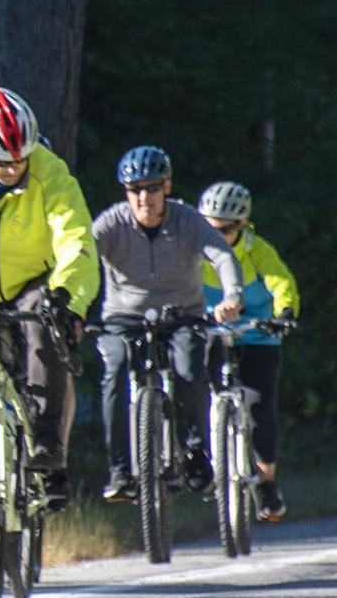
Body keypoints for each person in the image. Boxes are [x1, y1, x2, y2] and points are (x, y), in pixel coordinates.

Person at [0, 87, 98, 559]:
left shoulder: (51, 172)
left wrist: (66, 296)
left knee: (43, 335)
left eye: (20, 160)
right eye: (2, 162)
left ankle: (48, 448)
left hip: (34, 279)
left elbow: (76, 238)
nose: (13, 169)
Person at [92, 146, 242, 502]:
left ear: (167, 187)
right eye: (135, 189)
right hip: (124, 317)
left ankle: (194, 452)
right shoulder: (112, 223)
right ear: (126, 192)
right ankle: (119, 471)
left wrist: (231, 295)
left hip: (182, 314)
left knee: (190, 363)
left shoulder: (186, 219)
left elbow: (221, 254)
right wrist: (72, 302)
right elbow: (80, 255)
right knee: (114, 370)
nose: (144, 198)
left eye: (153, 188)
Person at [198, 180, 299, 520]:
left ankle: (266, 481)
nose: (216, 237)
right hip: (210, 331)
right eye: (209, 228)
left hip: (256, 334)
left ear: (242, 225)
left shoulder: (258, 250)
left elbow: (280, 280)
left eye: (225, 230)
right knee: (192, 386)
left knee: (259, 408)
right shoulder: (194, 252)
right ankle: (197, 455)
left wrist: (285, 313)